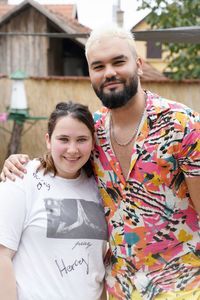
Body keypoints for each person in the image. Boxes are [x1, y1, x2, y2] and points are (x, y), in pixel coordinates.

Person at [1, 25, 200, 300]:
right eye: (98, 66)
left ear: (139, 64)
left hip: (182, 285)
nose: (109, 72)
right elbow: (63, 163)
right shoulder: (92, 131)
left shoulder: (183, 124)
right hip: (119, 289)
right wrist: (17, 162)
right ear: (91, 74)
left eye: (119, 61)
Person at [0, 101, 108, 300]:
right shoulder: (22, 178)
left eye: (82, 139)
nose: (72, 149)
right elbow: (2, 255)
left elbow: (100, 266)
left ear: (93, 141)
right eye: (64, 139)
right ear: (49, 140)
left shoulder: (103, 188)